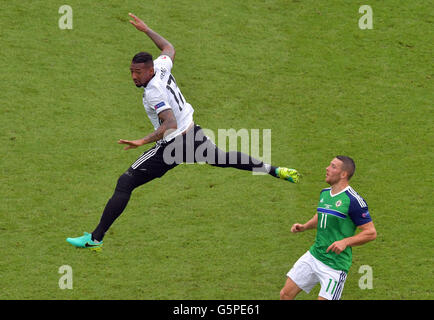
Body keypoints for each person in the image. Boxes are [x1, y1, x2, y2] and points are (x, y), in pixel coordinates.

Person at [66, 13, 300, 250]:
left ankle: (95, 239)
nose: (134, 76)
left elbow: (169, 124)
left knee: (126, 181)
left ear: (148, 71)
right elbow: (168, 47)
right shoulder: (161, 65)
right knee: (223, 158)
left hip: (174, 144)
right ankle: (275, 170)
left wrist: (141, 141)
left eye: (138, 72)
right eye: (131, 71)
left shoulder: (153, 91)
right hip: (193, 133)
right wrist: (147, 30)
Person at [280, 156, 376, 300]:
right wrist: (304, 226)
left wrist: (345, 242)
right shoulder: (325, 193)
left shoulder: (353, 200)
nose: (327, 168)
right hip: (314, 255)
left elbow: (370, 233)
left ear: (343, 174)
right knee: (285, 295)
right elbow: (321, 215)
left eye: (333, 166)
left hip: (335, 266)